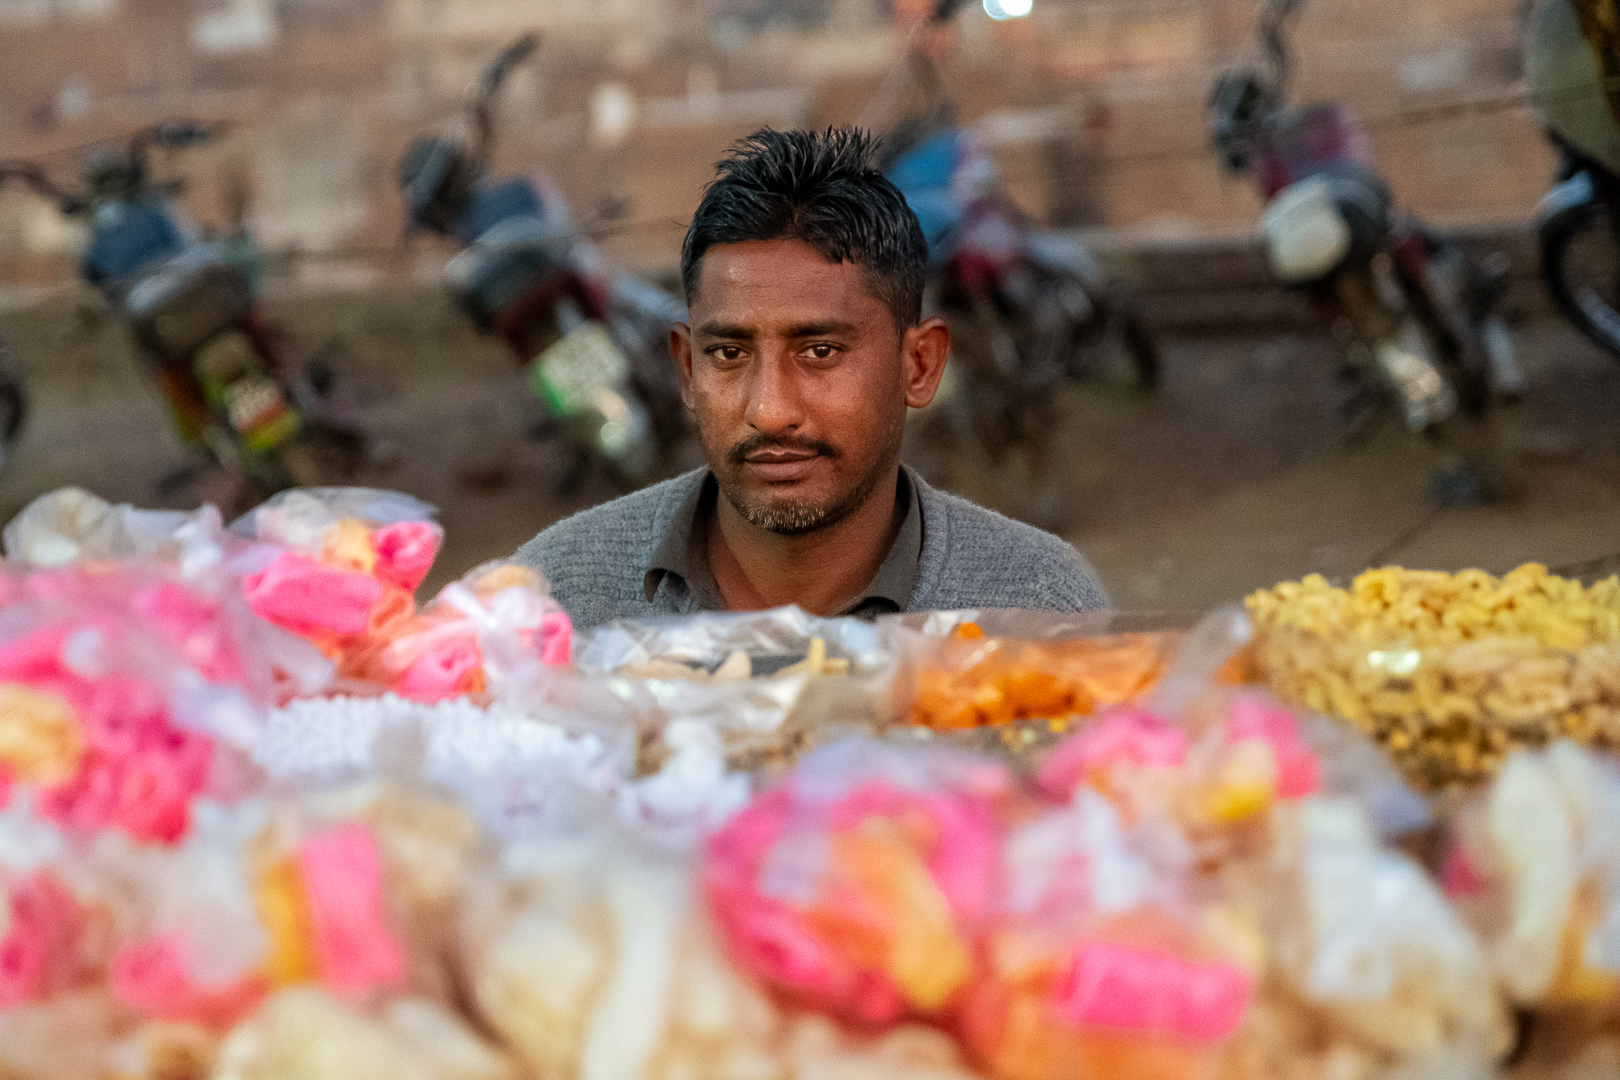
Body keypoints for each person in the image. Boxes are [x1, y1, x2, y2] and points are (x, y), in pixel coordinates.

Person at [511, 126, 1105, 629]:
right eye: (728, 354)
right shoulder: (557, 604)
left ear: (919, 365)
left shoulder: (1036, 608)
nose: (769, 410)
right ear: (688, 369)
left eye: (820, 351)